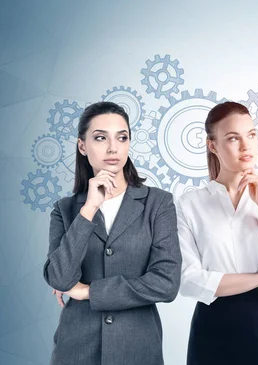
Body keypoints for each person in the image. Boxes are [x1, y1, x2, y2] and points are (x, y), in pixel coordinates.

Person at [43, 101, 182, 365]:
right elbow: (60, 278)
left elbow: (166, 283)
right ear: (82, 146)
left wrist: (89, 292)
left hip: (137, 348)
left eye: (122, 137)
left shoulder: (158, 203)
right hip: (77, 350)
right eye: (100, 138)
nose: (112, 148)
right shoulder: (66, 209)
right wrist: (89, 209)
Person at [176, 101, 258, 365]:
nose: (246, 146)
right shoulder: (189, 204)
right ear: (212, 145)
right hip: (212, 325)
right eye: (233, 138)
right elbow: (189, 281)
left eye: (251, 135)